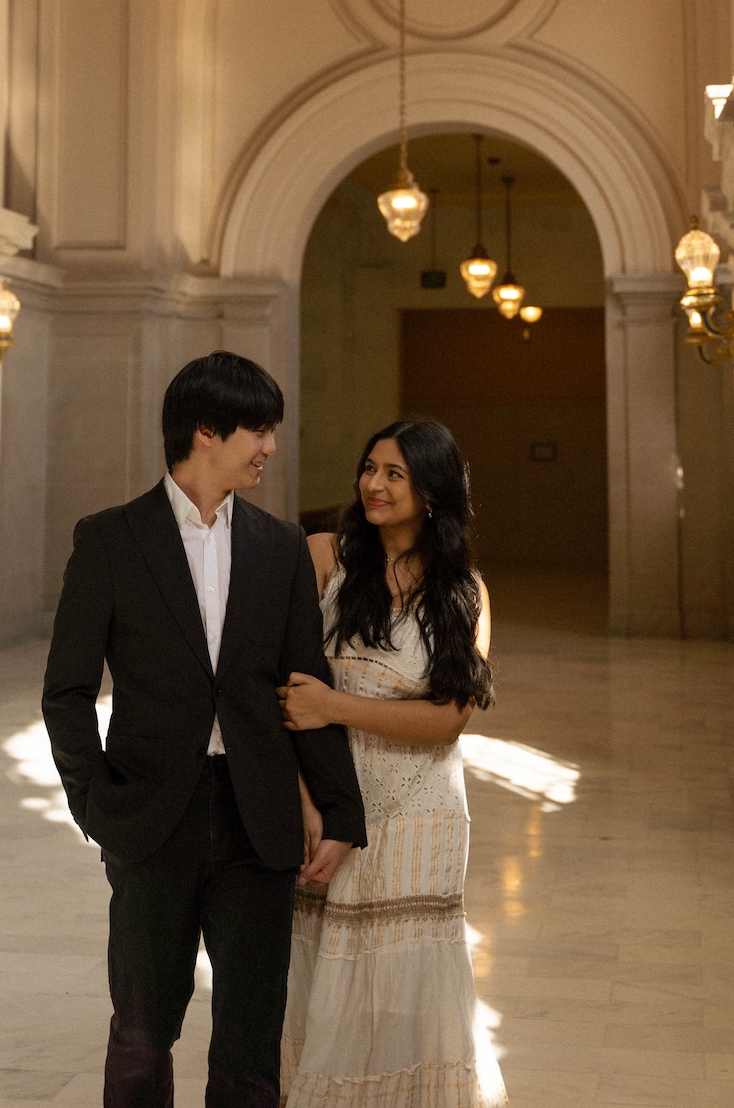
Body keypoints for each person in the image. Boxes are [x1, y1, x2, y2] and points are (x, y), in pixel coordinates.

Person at [43, 350, 367, 1108]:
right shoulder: (110, 540)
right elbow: (66, 691)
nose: (271, 447)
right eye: (259, 429)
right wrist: (95, 803)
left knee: (251, 1042)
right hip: (152, 818)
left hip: (259, 819)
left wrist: (340, 810)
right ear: (205, 431)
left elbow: (303, 687)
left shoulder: (280, 547)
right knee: (143, 1030)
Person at [277, 417, 508, 1108]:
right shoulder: (324, 557)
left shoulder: (463, 590)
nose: (373, 484)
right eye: (369, 467)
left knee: (403, 986)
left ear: (431, 493)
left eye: (395, 474)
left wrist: (336, 708)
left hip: (419, 812)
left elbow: (449, 718)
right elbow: (287, 693)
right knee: (319, 973)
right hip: (327, 798)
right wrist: (307, 802)